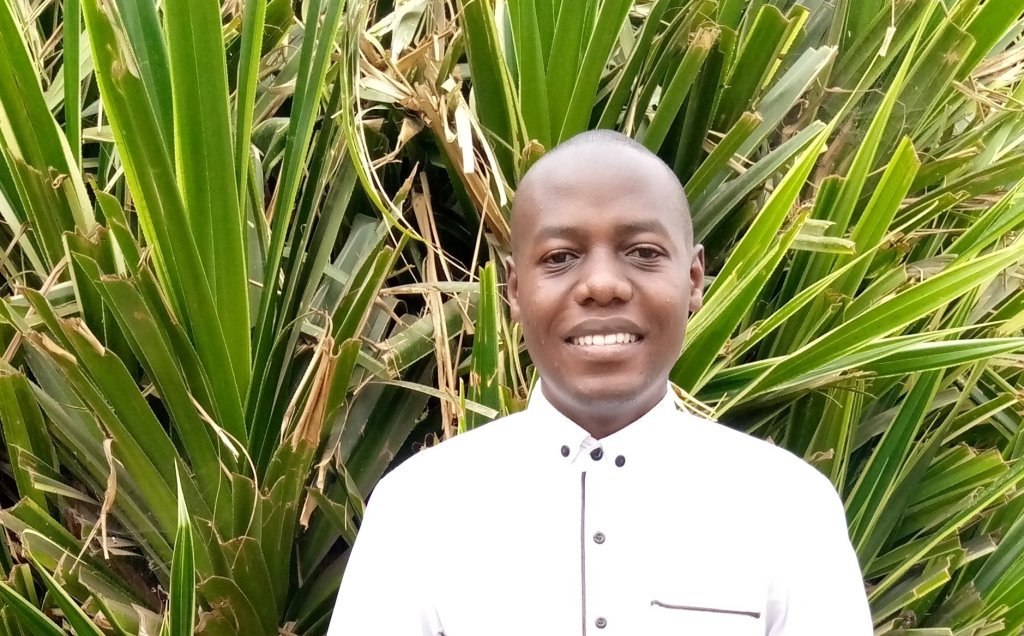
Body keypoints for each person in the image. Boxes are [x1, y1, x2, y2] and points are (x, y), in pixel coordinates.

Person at [327, 130, 873, 635]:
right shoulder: (420, 509)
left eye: (643, 253)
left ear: (692, 279)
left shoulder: (788, 508)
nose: (604, 284)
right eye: (560, 257)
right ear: (515, 290)